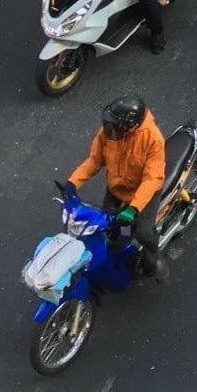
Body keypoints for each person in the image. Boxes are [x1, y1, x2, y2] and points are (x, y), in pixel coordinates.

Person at [65, 96, 169, 282]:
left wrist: (133, 208)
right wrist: (73, 182)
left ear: (130, 126)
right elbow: (95, 160)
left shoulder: (153, 139)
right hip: (117, 188)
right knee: (106, 224)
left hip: (142, 194)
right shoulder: (110, 131)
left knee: (143, 233)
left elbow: (152, 179)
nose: (108, 131)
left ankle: (153, 258)